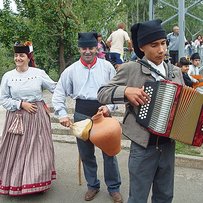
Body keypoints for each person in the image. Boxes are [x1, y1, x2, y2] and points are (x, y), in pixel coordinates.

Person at [97, 19, 185, 203]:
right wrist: (126, 91)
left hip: (168, 145)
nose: (161, 50)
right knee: (138, 197)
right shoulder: (130, 69)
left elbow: (184, 102)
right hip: (143, 146)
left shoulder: (174, 71)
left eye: (163, 43)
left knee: (165, 195)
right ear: (142, 47)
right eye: (154, 45)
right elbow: (102, 93)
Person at [52, 32, 123, 203]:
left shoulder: (107, 67)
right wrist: (62, 114)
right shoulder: (71, 70)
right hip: (82, 114)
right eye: (84, 48)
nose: (88, 51)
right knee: (86, 154)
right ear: (79, 49)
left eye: (91, 48)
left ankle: (114, 188)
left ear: (96, 48)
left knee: (109, 153)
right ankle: (93, 185)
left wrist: (109, 106)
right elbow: (58, 93)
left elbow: (115, 92)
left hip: (103, 113)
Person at [0, 41, 56, 195]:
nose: (18, 58)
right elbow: (3, 99)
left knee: (38, 149)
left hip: (37, 117)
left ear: (28, 57)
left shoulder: (38, 73)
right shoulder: (8, 76)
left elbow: (55, 88)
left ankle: (37, 182)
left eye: (22, 55)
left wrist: (70, 86)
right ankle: (15, 181)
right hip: (16, 118)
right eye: (16, 55)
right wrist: (21, 104)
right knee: (15, 151)